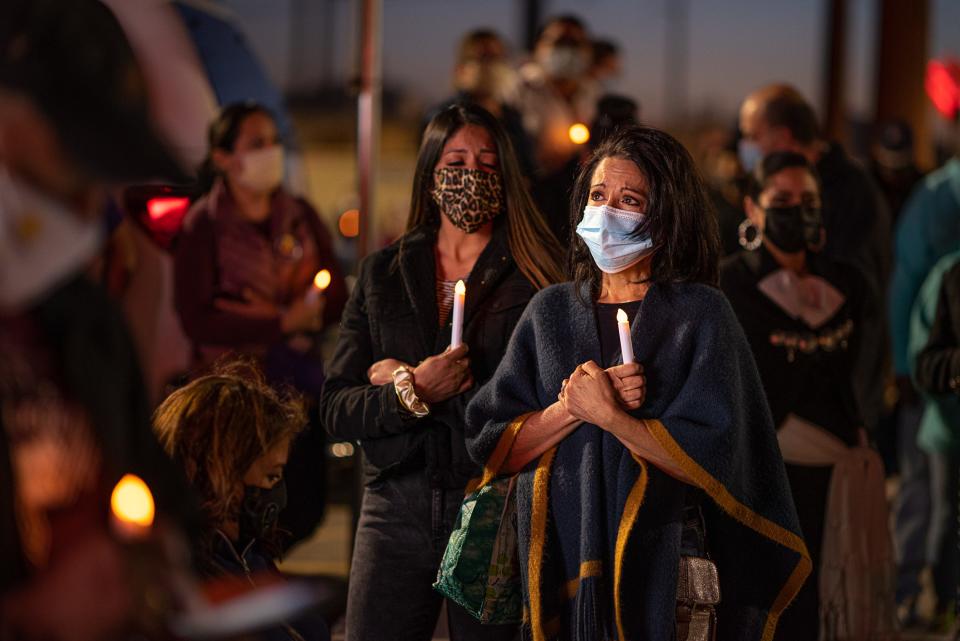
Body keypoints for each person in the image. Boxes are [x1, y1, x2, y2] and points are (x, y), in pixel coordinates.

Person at [466, 126, 810, 640]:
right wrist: (573, 408)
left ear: (666, 220)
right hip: (563, 564)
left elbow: (716, 463)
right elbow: (495, 448)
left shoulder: (700, 315)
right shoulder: (551, 312)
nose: (607, 212)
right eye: (599, 196)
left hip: (674, 570)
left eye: (629, 201)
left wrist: (613, 418)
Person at [319, 102, 563, 641]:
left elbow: (530, 407)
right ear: (431, 175)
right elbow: (336, 407)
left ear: (506, 177)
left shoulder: (534, 278)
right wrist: (413, 390)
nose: (470, 175)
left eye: (486, 162)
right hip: (392, 504)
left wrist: (401, 379)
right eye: (455, 161)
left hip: (492, 503)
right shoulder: (383, 272)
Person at [0, 0, 195, 639]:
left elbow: (146, 474)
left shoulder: (83, 319)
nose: (88, 200)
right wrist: (27, 616)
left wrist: (162, 550)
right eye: (72, 154)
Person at [720, 152, 896, 639]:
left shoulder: (848, 282)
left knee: (832, 600)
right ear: (754, 209)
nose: (798, 210)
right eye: (783, 200)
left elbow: (861, 367)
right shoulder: (732, 283)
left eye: (809, 200)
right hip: (768, 470)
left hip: (838, 462)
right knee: (775, 601)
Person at [174, 102, 347, 545]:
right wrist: (278, 322)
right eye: (256, 144)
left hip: (293, 392)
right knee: (235, 509)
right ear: (223, 158)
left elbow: (337, 297)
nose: (271, 151)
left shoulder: (300, 216)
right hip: (232, 397)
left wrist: (313, 313)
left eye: (273, 141)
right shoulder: (204, 226)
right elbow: (196, 318)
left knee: (301, 507)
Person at [739, 84, 892, 434]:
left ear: (782, 137)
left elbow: (853, 304)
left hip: (834, 404)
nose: (745, 146)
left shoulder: (851, 195)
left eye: (752, 135)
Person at [153, 361, 329, 641]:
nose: (278, 494)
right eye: (271, 476)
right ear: (220, 469)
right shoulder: (180, 583)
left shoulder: (249, 555)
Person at [887, 101, 960, 625]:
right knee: (926, 490)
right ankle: (911, 592)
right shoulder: (938, 198)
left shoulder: (939, 192)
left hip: (926, 359)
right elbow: (911, 283)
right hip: (929, 368)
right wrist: (905, 366)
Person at [906, 249, 960, 630]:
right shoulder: (949, 274)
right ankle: (946, 605)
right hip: (951, 432)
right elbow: (923, 364)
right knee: (948, 519)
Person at [425, 29, 535, 177]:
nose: (492, 65)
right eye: (483, 57)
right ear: (461, 69)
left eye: (498, 57)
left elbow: (526, 170)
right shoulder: (442, 117)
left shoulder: (513, 117)